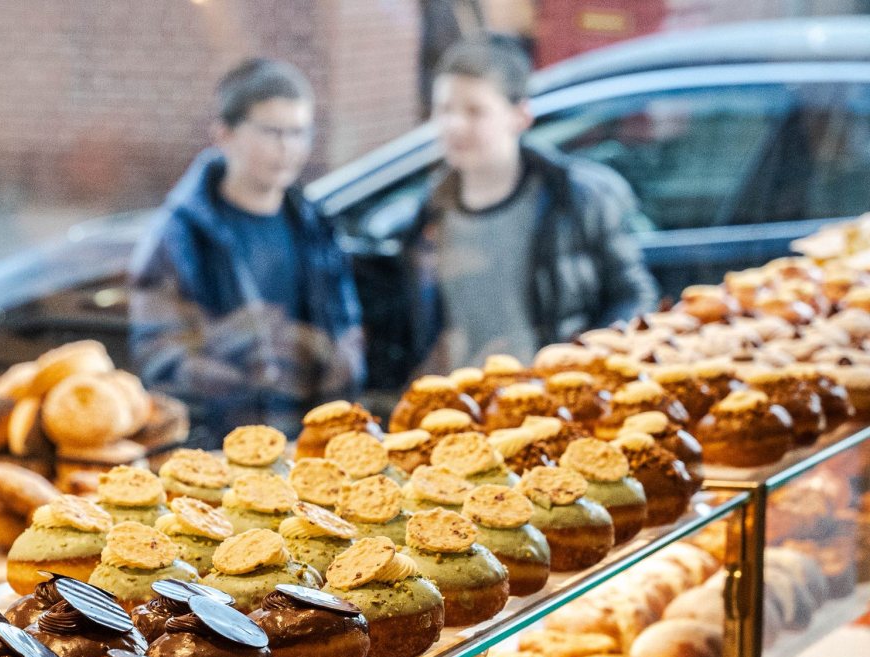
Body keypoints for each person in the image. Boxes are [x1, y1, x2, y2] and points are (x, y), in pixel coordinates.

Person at [129, 58, 364, 445]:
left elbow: (348, 335)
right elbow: (159, 357)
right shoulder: (180, 235)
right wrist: (243, 354)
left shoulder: (314, 225)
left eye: (299, 132)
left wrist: (331, 360)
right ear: (224, 134)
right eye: (272, 132)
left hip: (307, 445)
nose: (288, 148)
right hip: (220, 448)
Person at [406, 35, 657, 372]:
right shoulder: (432, 211)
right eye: (445, 109)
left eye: (474, 111)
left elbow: (634, 299)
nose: (454, 125)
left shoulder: (579, 197)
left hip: (560, 397)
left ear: (520, 116)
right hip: (470, 403)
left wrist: (589, 364)